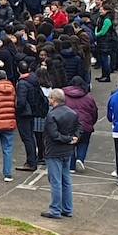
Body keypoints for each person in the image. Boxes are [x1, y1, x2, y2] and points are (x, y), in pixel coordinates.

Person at [41, 89, 79, 220]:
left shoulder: (51, 115)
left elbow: (54, 135)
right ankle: (67, 209)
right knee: (66, 180)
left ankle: (55, 209)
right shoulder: (72, 113)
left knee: (55, 181)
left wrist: (68, 139)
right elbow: (79, 127)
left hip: (54, 151)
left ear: (54, 99)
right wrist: (74, 138)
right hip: (67, 151)